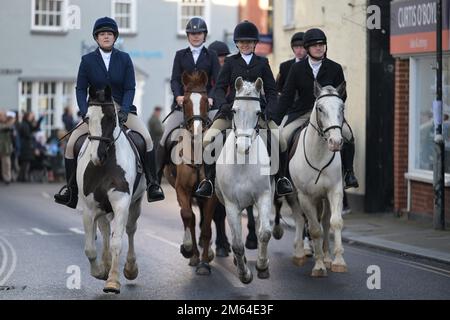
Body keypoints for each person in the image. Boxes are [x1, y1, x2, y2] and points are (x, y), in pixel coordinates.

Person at [54, 17, 164, 209]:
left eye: (109, 34)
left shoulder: (124, 59)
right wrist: (84, 110)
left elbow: (130, 88)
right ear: (96, 38)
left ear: (115, 37)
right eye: (102, 34)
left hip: (121, 109)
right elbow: (80, 89)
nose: (106, 37)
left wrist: (126, 110)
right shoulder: (87, 61)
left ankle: (153, 184)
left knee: (146, 139)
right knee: (71, 144)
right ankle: (70, 189)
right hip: (95, 112)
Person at [194, 20, 294, 198]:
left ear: (255, 43)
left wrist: (269, 110)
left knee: (280, 141)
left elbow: (271, 90)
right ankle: (208, 181)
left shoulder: (263, 63)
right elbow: (219, 88)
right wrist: (224, 105)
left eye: (249, 42)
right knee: (208, 139)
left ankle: (281, 180)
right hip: (232, 110)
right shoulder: (230, 62)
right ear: (237, 44)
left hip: (257, 112)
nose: (245, 45)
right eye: (242, 42)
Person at [275, 28, 359, 189]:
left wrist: (332, 107)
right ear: (307, 48)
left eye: (321, 44)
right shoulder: (296, 69)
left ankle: (349, 173)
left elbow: (343, 95)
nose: (319, 48)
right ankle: (283, 179)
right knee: (283, 137)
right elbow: (286, 96)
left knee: (348, 134)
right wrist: (275, 119)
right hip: (302, 113)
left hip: (328, 116)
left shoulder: (335, 68)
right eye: (314, 45)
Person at [155, 17, 221, 182]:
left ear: (204, 35)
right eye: (192, 33)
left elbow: (218, 81)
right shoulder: (180, 55)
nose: (196, 36)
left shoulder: (211, 55)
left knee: (222, 135)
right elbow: (175, 80)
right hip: (183, 106)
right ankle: (154, 179)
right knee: (165, 138)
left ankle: (220, 177)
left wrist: (211, 97)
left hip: (207, 106)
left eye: (199, 33)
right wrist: (178, 95)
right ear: (188, 36)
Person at [0, 110, 15, 185]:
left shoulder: (7, 124)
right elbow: (4, 127)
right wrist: (11, 121)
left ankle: (7, 178)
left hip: (5, 147)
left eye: (5, 115)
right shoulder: (4, 125)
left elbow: (10, 129)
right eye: (3, 115)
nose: (4, 117)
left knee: (7, 163)